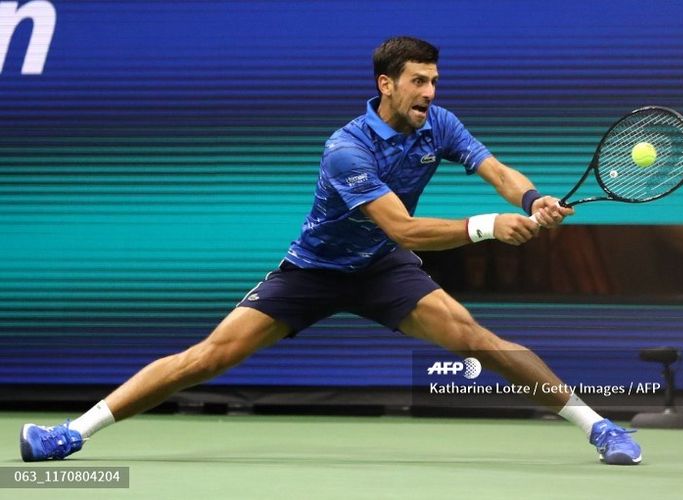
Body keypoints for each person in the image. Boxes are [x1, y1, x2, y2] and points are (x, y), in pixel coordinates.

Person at [19, 36, 641, 465]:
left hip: (381, 272)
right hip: (313, 272)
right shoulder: (346, 148)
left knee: (480, 340)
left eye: (434, 81)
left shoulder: (439, 123)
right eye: (418, 82)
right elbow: (404, 229)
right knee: (206, 358)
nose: (429, 92)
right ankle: (67, 436)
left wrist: (531, 198)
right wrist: (488, 227)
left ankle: (601, 428)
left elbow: (495, 169)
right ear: (386, 84)